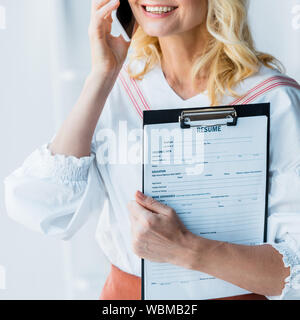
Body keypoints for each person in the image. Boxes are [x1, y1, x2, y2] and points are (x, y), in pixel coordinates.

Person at [4, 0, 300, 300]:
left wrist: (187, 249)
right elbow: (43, 208)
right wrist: (101, 76)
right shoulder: (118, 87)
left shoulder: (275, 100)